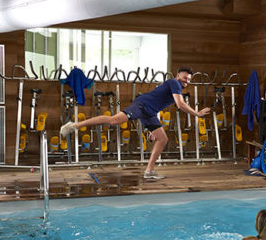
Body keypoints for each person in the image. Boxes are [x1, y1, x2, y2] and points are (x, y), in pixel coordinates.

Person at [60, 66, 211, 179]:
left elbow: (158, 102)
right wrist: (197, 113)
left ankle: (149, 171)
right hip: (141, 105)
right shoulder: (174, 83)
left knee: (162, 138)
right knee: (114, 120)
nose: (187, 81)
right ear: (178, 75)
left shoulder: (175, 87)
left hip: (149, 111)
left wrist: (152, 129)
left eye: (189, 79)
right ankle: (74, 125)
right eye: (185, 77)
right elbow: (180, 105)